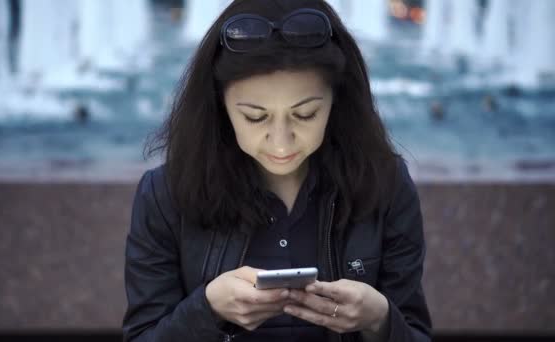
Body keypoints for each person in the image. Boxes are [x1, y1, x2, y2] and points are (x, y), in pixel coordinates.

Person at [122, 0, 432, 341]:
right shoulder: (166, 193)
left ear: (337, 101)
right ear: (220, 105)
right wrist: (207, 310)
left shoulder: (385, 184)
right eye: (255, 117)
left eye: (306, 114)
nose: (281, 143)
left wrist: (379, 318)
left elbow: (416, 334)